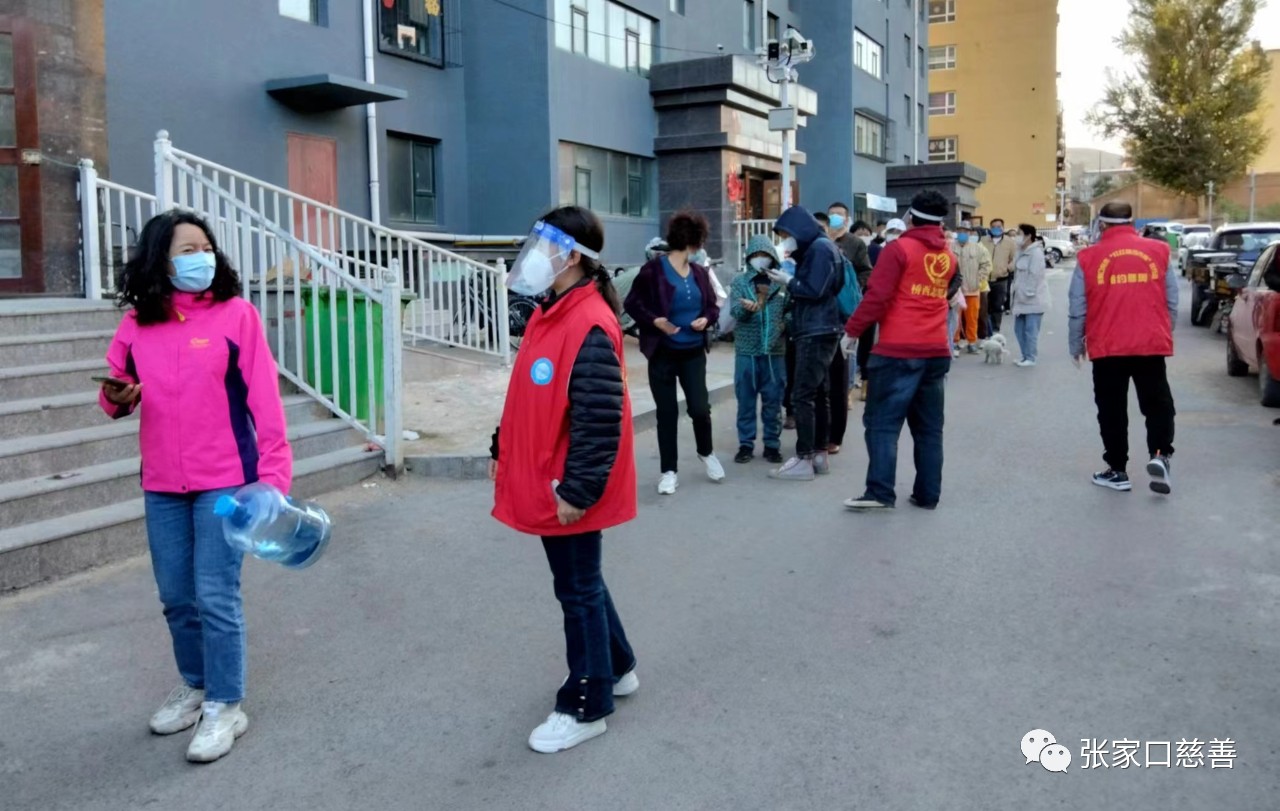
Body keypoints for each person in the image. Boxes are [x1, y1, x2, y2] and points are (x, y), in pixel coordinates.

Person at [100, 211, 292, 763]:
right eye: (187, 250)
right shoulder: (136, 325)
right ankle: (196, 683)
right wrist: (117, 396)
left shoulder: (237, 316)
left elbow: (265, 403)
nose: (200, 257)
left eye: (205, 247)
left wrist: (272, 481)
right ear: (160, 261)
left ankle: (227, 705)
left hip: (225, 481)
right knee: (176, 597)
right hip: (162, 483)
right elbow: (113, 392)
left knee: (214, 594)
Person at [490, 206, 639, 754]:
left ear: (572, 256)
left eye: (544, 246)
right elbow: (527, 394)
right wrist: (501, 445)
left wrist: (578, 491)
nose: (533, 256)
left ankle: (587, 702)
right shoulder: (550, 312)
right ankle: (616, 665)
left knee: (577, 589)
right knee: (582, 582)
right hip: (550, 472)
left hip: (567, 483)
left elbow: (599, 418)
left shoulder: (587, 322)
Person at [842, 191, 960, 511]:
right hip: (936, 350)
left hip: (897, 350)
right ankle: (928, 495)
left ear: (912, 216)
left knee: (882, 423)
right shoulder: (948, 256)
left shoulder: (898, 250)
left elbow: (877, 297)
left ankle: (880, 492)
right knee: (929, 429)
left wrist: (852, 331)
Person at [1069, 201, 1178, 495]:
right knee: (1157, 404)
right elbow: (1171, 300)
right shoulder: (1159, 251)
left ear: (1102, 224)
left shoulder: (1088, 257)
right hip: (1149, 344)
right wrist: (1164, 332)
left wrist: (1076, 344)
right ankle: (1160, 456)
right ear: (1132, 222)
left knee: (1112, 409)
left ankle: (1117, 470)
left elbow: (1078, 307)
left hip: (1107, 347)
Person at [624, 210, 724, 495]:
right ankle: (669, 471)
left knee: (700, 408)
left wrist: (706, 318)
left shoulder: (700, 273)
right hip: (663, 353)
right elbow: (632, 303)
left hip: (693, 352)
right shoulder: (653, 271)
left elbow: (713, 306)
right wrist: (655, 320)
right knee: (666, 413)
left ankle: (706, 452)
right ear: (692, 243)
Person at [765, 205, 845, 481]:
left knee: (802, 394)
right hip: (823, 326)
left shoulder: (819, 249)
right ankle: (819, 454)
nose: (786, 240)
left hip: (815, 328)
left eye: (786, 234)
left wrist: (789, 281)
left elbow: (815, 290)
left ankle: (804, 458)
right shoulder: (823, 247)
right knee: (818, 392)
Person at [730, 235, 788, 464]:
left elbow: (791, 311)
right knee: (745, 401)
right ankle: (745, 444)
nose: (760, 258)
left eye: (764, 254)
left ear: (772, 256)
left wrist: (783, 325)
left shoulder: (781, 282)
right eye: (755, 255)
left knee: (773, 402)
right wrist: (747, 309)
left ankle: (772, 445)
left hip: (774, 352)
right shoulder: (740, 282)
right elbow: (735, 311)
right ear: (749, 257)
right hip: (747, 351)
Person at [1011, 224, 1050, 367]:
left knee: (1030, 330)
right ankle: (1024, 355)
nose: (1017, 236)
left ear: (1028, 236)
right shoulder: (1020, 251)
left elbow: (1035, 275)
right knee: (1019, 329)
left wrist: (1028, 292)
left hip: (1033, 299)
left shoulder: (1036, 253)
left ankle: (1030, 357)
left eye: (1019, 233)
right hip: (1020, 298)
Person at [951, 222, 991, 353]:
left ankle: (972, 341)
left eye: (966, 231)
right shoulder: (950, 247)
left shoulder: (978, 248)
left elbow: (986, 265)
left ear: (970, 233)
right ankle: (954, 342)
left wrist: (977, 280)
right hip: (955, 291)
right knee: (955, 318)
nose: (963, 233)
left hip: (972, 290)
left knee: (972, 318)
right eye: (960, 231)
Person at [981, 218, 1017, 331]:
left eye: (999, 226)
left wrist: (1007, 268)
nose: (996, 228)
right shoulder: (983, 241)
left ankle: (995, 329)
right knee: (984, 306)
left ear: (1003, 227)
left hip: (1001, 279)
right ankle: (985, 331)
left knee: (997, 306)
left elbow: (1015, 258)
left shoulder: (1010, 242)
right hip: (984, 279)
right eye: (994, 227)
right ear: (990, 228)